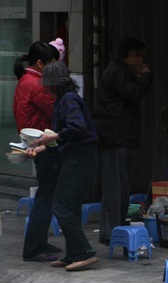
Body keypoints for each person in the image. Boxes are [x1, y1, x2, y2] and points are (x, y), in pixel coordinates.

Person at [30, 61, 99, 270]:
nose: (46, 89)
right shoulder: (63, 101)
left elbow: (78, 127)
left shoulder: (69, 100)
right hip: (76, 157)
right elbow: (61, 138)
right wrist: (41, 147)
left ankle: (84, 251)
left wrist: (54, 137)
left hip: (81, 158)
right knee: (70, 206)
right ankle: (73, 254)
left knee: (61, 205)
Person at [94, 37, 153, 244]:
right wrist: (145, 76)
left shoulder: (119, 71)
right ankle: (112, 233)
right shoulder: (118, 71)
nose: (143, 62)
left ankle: (114, 231)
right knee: (115, 190)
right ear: (131, 56)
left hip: (119, 139)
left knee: (120, 189)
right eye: (140, 57)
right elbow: (133, 93)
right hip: (114, 139)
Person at [12, 41, 63, 262]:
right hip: (44, 144)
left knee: (46, 195)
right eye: (52, 66)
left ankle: (39, 242)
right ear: (41, 63)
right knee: (46, 197)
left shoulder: (27, 80)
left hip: (39, 142)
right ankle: (34, 247)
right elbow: (57, 107)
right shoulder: (36, 84)